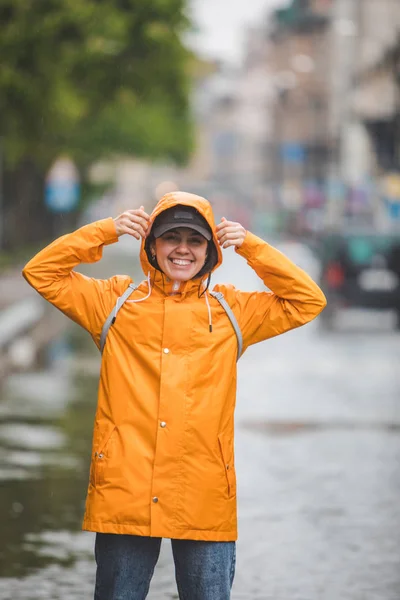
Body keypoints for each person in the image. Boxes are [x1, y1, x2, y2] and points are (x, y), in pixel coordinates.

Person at [22, 191, 327, 600]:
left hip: (203, 495)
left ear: (211, 251)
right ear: (151, 245)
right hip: (125, 491)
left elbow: (308, 300)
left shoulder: (232, 312)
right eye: (171, 238)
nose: (183, 249)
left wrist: (251, 246)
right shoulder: (113, 303)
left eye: (195, 240)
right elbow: (41, 272)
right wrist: (106, 230)